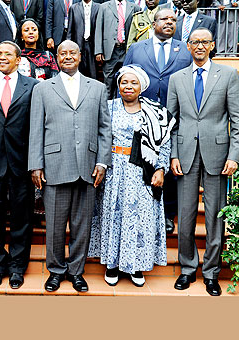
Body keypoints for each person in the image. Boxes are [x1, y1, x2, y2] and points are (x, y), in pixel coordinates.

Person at [167, 28, 239, 296]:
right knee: (186, 216)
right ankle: (188, 269)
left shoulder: (228, 75)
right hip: (186, 155)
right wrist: (173, 154)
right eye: (194, 42)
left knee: (214, 217)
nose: (199, 46)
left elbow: (237, 121)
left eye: (204, 42)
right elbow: (172, 123)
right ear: (188, 47)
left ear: (212, 45)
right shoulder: (177, 79)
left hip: (218, 156)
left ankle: (211, 272)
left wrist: (235, 156)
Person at [28, 40, 112, 293]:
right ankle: (55, 271)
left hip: (87, 166)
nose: (67, 57)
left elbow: (104, 129)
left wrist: (102, 162)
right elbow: (36, 129)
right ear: (57, 57)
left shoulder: (97, 88)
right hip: (54, 165)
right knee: (54, 225)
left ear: (79, 56)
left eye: (72, 53)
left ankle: (76, 271)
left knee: (81, 224)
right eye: (62, 53)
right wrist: (36, 165)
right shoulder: (43, 88)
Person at [89, 65, 175, 287]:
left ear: (142, 86)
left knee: (139, 218)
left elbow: (164, 144)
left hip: (143, 172)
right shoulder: (108, 107)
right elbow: (97, 137)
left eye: (133, 82)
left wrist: (161, 169)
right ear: (118, 86)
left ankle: (136, 266)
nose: (128, 86)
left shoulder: (155, 111)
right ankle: (112, 264)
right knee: (113, 215)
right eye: (124, 82)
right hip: (113, 170)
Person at [0, 41, 38, 290]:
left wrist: (36, 163)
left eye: (7, 54)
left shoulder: (33, 87)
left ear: (18, 59)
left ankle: (16, 268)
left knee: (22, 217)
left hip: (22, 161)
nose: (2, 57)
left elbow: (37, 126)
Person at [124, 8, 192, 234]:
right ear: (154, 23)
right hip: (142, 116)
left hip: (175, 117)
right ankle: (141, 212)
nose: (170, 22)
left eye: (173, 19)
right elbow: (126, 77)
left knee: (170, 168)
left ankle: (167, 215)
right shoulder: (136, 48)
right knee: (142, 164)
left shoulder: (185, 49)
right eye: (164, 19)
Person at [94, 0, 141, 98]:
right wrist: (99, 50)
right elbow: (99, 29)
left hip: (126, 50)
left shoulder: (135, 7)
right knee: (108, 80)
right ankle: (107, 105)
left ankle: (122, 104)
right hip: (110, 50)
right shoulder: (104, 7)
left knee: (125, 78)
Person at [66, 0, 100, 79]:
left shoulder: (99, 7)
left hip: (93, 45)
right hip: (78, 44)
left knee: (93, 73)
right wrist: (69, 46)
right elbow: (70, 30)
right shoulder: (74, 8)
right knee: (79, 72)